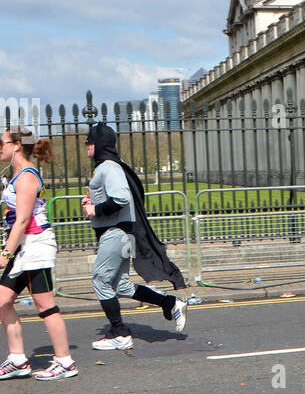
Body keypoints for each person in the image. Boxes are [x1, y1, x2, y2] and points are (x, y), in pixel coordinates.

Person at [83, 122, 187, 350]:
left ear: (99, 144)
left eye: (89, 141)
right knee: (121, 286)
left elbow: (121, 198)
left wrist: (95, 210)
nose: (86, 145)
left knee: (100, 280)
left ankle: (120, 333)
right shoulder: (107, 166)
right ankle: (170, 303)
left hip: (115, 234)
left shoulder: (108, 167)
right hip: (121, 235)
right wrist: (92, 203)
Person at [0, 128, 78, 379]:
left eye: (0, 142)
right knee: (2, 301)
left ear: (17, 146)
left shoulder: (26, 177)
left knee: (45, 304)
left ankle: (65, 361)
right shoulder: (15, 176)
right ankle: (18, 360)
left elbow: (23, 220)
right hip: (24, 248)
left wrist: (5, 254)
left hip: (35, 245)